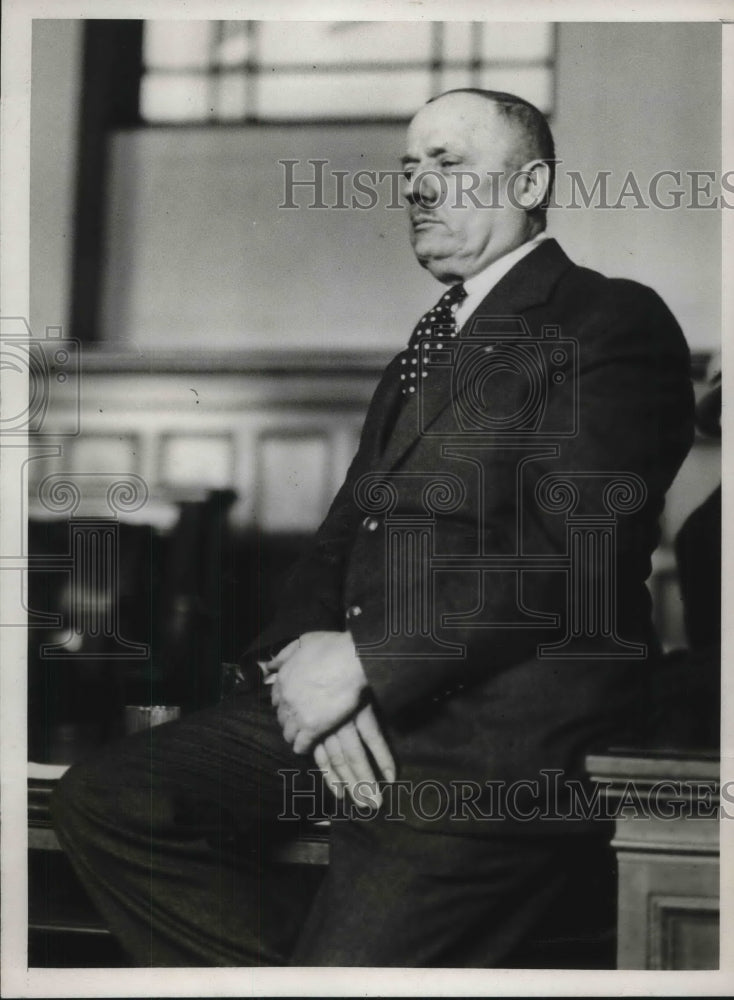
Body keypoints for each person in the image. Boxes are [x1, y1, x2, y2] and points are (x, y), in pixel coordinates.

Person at [51, 89, 695, 968]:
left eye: (451, 164)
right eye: (410, 170)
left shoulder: (609, 319)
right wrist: (296, 667)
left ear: (533, 180)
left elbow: (571, 558)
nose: (420, 190)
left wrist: (364, 665)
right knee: (110, 800)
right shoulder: (424, 350)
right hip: (359, 703)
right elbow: (340, 539)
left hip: (490, 751)